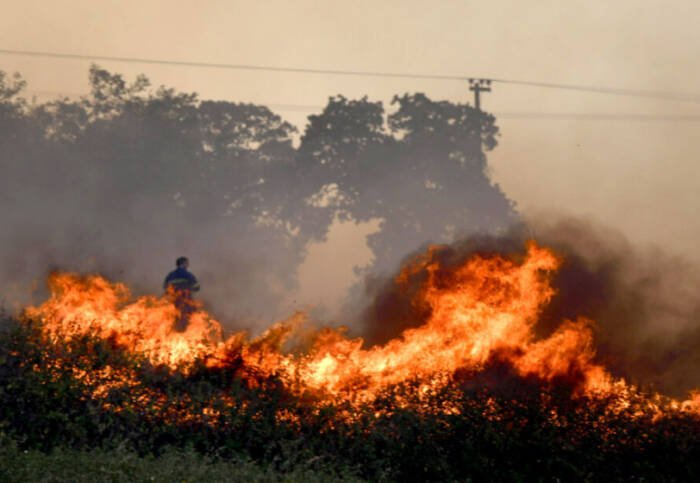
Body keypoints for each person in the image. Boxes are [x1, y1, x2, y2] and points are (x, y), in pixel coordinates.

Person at [163, 256, 200, 331]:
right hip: (186, 300)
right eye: (187, 263)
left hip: (174, 301)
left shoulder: (170, 275)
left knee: (175, 318)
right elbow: (197, 286)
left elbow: (165, 287)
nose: (188, 265)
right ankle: (185, 333)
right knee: (188, 317)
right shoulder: (187, 274)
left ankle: (175, 332)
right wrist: (191, 288)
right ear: (184, 263)